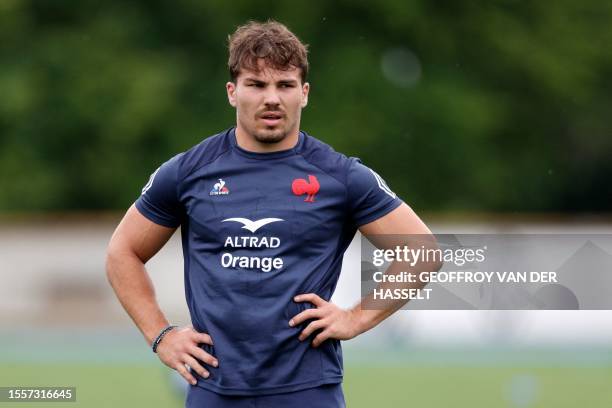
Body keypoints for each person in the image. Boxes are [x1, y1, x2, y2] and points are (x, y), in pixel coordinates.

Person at [106, 19, 436, 408]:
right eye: (257, 85)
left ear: (305, 93)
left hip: (307, 391)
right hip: (214, 388)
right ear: (232, 92)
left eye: (285, 85)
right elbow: (122, 252)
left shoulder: (340, 176)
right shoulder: (188, 172)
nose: (272, 98)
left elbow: (422, 252)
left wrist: (356, 318)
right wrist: (160, 335)